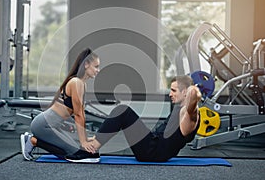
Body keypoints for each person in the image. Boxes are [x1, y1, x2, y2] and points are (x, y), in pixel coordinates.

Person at [65, 75, 201, 162]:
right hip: (153, 145)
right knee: (123, 112)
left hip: (153, 153)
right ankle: (94, 142)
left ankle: (91, 150)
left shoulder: (188, 115)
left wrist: (193, 90)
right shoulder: (178, 108)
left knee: (123, 111)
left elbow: (192, 104)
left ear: (185, 92)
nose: (170, 94)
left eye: (174, 90)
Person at [20, 48, 100, 162]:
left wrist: (85, 139)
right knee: (73, 153)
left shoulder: (82, 84)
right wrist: (84, 142)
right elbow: (78, 115)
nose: (98, 70)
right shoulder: (76, 82)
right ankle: (33, 140)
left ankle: (33, 139)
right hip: (43, 125)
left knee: (78, 151)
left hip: (53, 126)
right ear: (86, 64)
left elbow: (81, 114)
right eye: (96, 66)